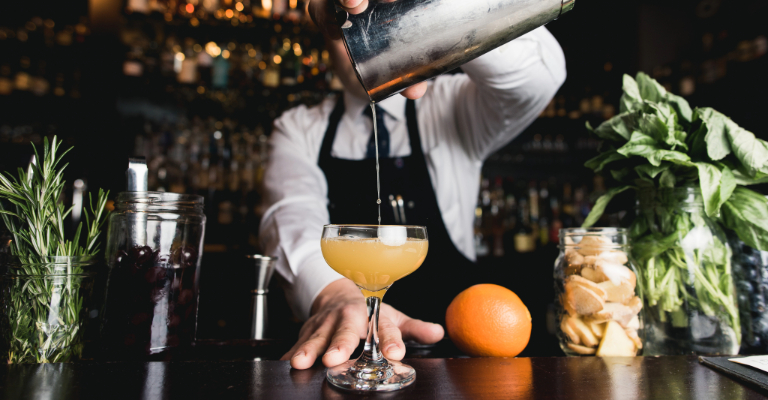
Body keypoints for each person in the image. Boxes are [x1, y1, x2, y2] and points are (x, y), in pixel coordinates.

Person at [259, 0, 566, 370]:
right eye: (350, 26)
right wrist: (336, 296)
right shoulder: (298, 128)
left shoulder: (452, 105)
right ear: (325, 38)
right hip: (345, 355)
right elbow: (290, 215)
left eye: (380, 22)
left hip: (455, 355)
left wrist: (437, 13)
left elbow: (539, 77)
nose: (369, 37)